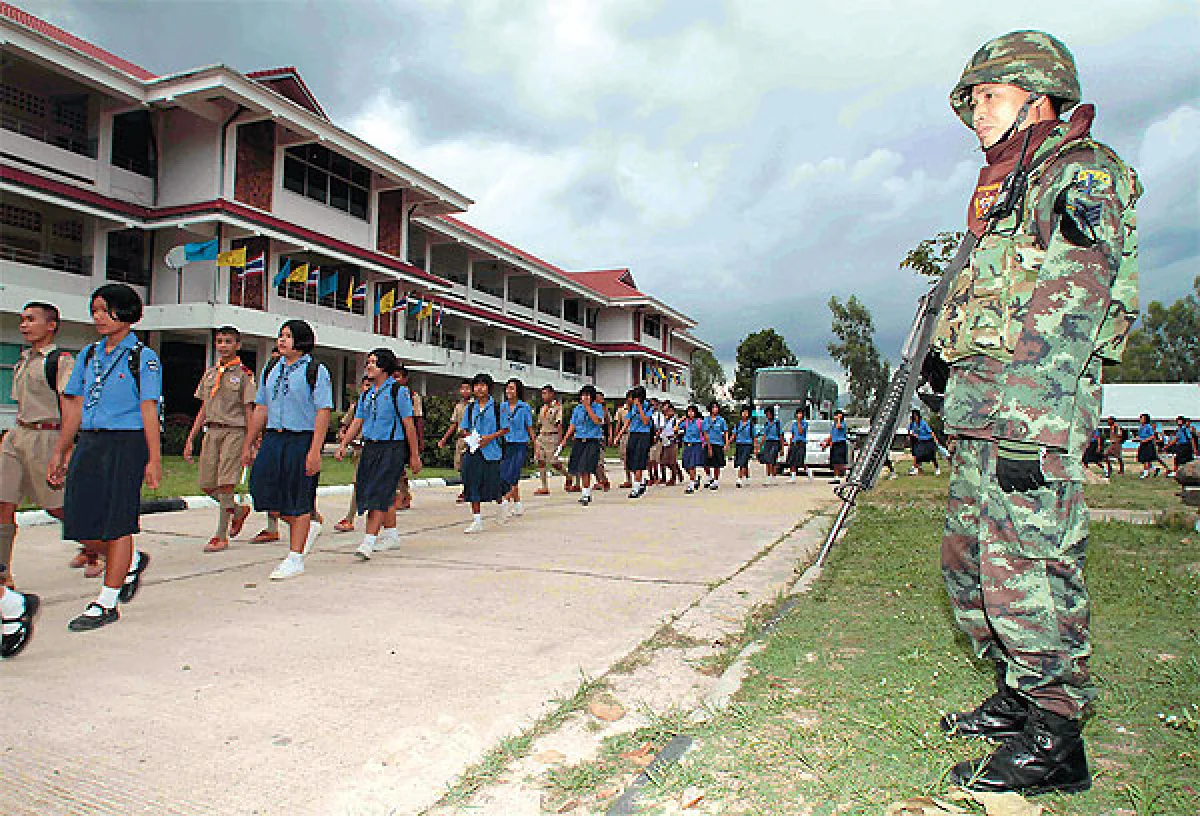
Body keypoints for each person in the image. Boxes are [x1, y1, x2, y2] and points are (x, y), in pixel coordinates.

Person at [930, 31, 1140, 794]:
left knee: (1028, 565)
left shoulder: (1080, 173)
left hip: (1032, 411)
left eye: (991, 95)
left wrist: (1028, 423)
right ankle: (1017, 697)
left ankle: (1056, 735)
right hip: (982, 406)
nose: (979, 112)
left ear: (1038, 95)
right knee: (969, 562)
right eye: (975, 100)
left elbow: (1071, 305)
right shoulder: (1006, 190)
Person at [48, 283, 160, 631]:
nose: (98, 317)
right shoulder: (88, 355)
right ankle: (130, 560)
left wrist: (154, 459)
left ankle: (106, 602)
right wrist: (61, 450)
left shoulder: (143, 357)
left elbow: (149, 409)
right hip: (91, 441)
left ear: (125, 313)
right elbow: (75, 406)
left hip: (126, 444)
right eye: (94, 310)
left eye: (105, 310)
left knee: (118, 521)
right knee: (78, 520)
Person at [1, 302, 73, 656]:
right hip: (18, 435)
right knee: (3, 505)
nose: (24, 325)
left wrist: (63, 451)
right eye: (22, 320)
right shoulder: (24, 359)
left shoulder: (60, 361)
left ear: (52, 325)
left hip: (47, 436)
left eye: (31, 320)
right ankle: (4, 577)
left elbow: (70, 407)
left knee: (57, 508)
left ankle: (109, 551)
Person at [241, 320, 333, 580]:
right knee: (262, 490)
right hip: (273, 438)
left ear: (301, 341)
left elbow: (323, 411)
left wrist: (315, 451)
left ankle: (295, 557)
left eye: (288, 336)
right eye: (281, 335)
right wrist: (248, 443)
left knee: (298, 496)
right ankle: (307, 528)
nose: (282, 340)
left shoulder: (315, 370)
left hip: (301, 439)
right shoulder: (271, 368)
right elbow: (261, 407)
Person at [334, 349, 420, 559]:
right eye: (368, 362)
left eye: (374, 362)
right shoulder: (367, 394)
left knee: (379, 493)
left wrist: (414, 455)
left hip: (391, 448)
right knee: (380, 492)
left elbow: (409, 425)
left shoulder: (398, 392)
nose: (369, 366)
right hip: (370, 447)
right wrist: (343, 444)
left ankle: (368, 540)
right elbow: (357, 421)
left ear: (384, 366)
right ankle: (391, 535)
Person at [182, 326, 257, 553]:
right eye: (220, 341)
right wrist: (191, 438)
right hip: (212, 431)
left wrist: (250, 443)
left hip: (234, 431)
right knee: (207, 483)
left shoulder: (244, 375)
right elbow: (204, 408)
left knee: (226, 483)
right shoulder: (210, 374)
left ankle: (220, 535)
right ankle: (237, 510)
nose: (223, 346)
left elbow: (249, 411)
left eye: (228, 341)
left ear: (238, 345)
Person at [458, 373, 506, 533]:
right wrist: (468, 436)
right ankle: (477, 520)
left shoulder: (498, 408)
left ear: (489, 388)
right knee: (471, 483)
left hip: (491, 451)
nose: (479, 388)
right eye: (476, 385)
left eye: (483, 385)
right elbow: (464, 428)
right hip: (473, 450)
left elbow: (505, 429)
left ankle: (501, 504)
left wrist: (489, 438)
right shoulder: (470, 407)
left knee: (493, 484)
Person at [334, 377, 372, 533]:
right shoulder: (356, 407)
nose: (367, 388)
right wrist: (344, 440)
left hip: (376, 449)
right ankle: (350, 518)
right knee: (358, 482)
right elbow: (346, 425)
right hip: (359, 450)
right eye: (365, 385)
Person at [560, 385, 605, 506]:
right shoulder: (577, 409)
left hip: (592, 440)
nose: (584, 397)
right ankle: (584, 490)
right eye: (583, 395)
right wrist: (565, 439)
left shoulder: (597, 407)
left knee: (586, 467)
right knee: (578, 466)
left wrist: (588, 407)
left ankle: (586, 494)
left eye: (587, 395)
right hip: (579, 439)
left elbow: (597, 421)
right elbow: (573, 425)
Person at [499, 378, 534, 517]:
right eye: (507, 388)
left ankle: (505, 500)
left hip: (520, 444)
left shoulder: (524, 407)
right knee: (505, 474)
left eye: (512, 388)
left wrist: (535, 444)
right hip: (505, 444)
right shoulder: (502, 407)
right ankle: (518, 504)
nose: (509, 391)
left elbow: (529, 427)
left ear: (518, 391)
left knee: (513, 474)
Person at [392, 366, 423, 512]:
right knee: (397, 468)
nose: (394, 380)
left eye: (397, 376)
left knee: (400, 467)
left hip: (406, 435)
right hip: (393, 435)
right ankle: (402, 494)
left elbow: (417, 420)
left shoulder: (412, 396)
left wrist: (419, 441)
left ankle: (403, 495)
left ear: (405, 379)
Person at [438, 380, 473, 503]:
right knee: (461, 466)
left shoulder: (475, 405)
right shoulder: (458, 406)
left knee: (470, 466)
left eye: (467, 388)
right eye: (462, 388)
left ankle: (468, 491)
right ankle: (466, 488)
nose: (465, 391)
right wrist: (444, 439)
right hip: (461, 439)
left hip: (472, 439)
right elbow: (454, 424)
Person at [533, 385, 567, 495]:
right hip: (542, 436)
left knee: (554, 462)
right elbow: (539, 423)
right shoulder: (543, 408)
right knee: (540, 460)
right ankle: (544, 486)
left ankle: (567, 475)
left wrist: (560, 441)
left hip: (552, 436)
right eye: (542, 394)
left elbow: (559, 424)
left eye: (545, 393)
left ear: (552, 394)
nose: (543, 396)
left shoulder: (557, 407)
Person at [624, 387, 654, 499]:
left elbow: (645, 421)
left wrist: (640, 408)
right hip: (633, 434)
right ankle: (641, 482)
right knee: (631, 460)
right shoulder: (632, 407)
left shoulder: (648, 407)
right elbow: (628, 420)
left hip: (643, 435)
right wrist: (619, 435)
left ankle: (635, 488)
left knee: (639, 460)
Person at [701, 401, 729, 490]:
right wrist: (708, 445)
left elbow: (725, 432)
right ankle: (709, 477)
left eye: (716, 407)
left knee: (717, 464)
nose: (715, 409)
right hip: (708, 443)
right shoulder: (706, 420)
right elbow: (705, 433)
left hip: (718, 444)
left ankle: (716, 481)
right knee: (706, 463)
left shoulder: (721, 420)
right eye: (713, 407)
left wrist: (726, 443)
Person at [907, 409, 942, 476]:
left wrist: (936, 440)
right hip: (920, 441)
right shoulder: (912, 424)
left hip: (928, 440)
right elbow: (909, 430)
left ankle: (937, 468)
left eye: (916, 416)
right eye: (913, 416)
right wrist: (912, 435)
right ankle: (916, 469)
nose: (915, 417)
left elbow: (931, 432)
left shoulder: (923, 423)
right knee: (917, 455)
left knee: (931, 455)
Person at [679, 404, 706, 493]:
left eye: (692, 411)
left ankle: (691, 485)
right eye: (689, 411)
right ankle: (695, 478)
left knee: (692, 465)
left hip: (696, 445)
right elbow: (675, 429)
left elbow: (705, 434)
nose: (690, 413)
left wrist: (706, 445)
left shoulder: (699, 422)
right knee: (685, 464)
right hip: (687, 445)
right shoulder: (686, 422)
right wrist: (680, 420)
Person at [756, 406, 783, 485]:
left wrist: (782, 448)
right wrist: (760, 446)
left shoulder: (777, 423)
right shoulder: (766, 424)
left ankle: (774, 477)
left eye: (769, 414)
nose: (768, 416)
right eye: (767, 414)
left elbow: (781, 435)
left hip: (775, 442)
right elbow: (764, 435)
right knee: (767, 461)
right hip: (768, 443)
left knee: (773, 460)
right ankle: (768, 477)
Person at [658, 402, 683, 486]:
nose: (666, 412)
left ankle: (673, 478)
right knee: (663, 460)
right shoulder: (665, 419)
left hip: (672, 441)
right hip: (664, 441)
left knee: (671, 461)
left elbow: (680, 430)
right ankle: (675, 473)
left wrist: (674, 435)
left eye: (668, 410)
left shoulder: (675, 420)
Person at [784, 408, 811, 483]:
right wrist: (790, 444)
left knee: (800, 461)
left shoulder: (805, 423)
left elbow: (801, 431)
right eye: (798, 413)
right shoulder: (794, 424)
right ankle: (793, 476)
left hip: (801, 443)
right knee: (792, 461)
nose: (799, 415)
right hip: (794, 443)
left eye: (801, 414)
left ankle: (808, 472)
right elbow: (793, 434)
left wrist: (799, 422)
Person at [822, 410, 849, 484]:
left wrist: (839, 419)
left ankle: (847, 473)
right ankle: (836, 477)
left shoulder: (842, 424)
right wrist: (826, 443)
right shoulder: (834, 425)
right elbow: (832, 435)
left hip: (841, 443)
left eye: (837, 416)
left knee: (840, 462)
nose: (835, 417)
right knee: (834, 462)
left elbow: (839, 427)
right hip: (834, 444)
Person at [612, 393, 633, 489]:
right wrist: (616, 436)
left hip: (636, 434)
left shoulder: (637, 409)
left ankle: (638, 479)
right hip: (625, 435)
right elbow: (618, 423)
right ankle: (628, 479)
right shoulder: (621, 410)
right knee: (625, 457)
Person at [732, 406, 756, 488]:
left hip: (748, 445)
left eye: (746, 412)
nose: (744, 414)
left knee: (742, 462)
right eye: (743, 412)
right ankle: (747, 477)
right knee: (744, 463)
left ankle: (739, 479)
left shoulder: (751, 424)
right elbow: (734, 434)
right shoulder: (738, 424)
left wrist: (756, 448)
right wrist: (728, 443)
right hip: (739, 444)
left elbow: (754, 436)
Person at [1136, 413, 1163, 479]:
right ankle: (1155, 469)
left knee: (1146, 459)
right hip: (1142, 444)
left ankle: (1146, 473)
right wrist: (1137, 439)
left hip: (1148, 444)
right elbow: (1140, 436)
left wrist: (1145, 440)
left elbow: (1152, 436)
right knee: (1143, 459)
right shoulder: (1141, 427)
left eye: (1142, 418)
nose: (1141, 420)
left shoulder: (1148, 427)